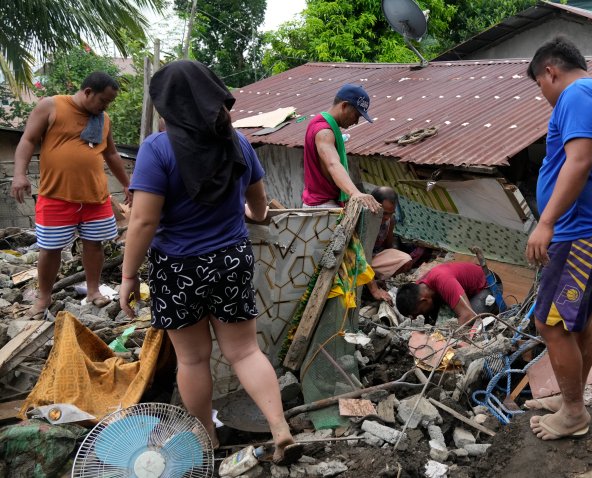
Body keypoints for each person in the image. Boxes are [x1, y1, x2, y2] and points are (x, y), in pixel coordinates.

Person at [118, 60, 300, 464]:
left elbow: (145, 220)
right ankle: (279, 427)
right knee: (246, 352)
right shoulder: (238, 143)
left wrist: (129, 275)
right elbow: (259, 206)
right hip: (231, 261)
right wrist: (250, 216)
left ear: (168, 105)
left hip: (178, 268)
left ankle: (208, 442)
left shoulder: (157, 149)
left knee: (193, 358)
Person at [523, 37, 592, 440]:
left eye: (540, 85)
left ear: (550, 71)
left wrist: (546, 222)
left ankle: (573, 413)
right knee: (579, 322)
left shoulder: (577, 92)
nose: (544, 95)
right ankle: (573, 399)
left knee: (550, 324)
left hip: (581, 232)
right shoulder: (591, 92)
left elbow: (579, 160)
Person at [10, 72, 130, 318]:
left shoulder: (102, 118)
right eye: (103, 101)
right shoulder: (51, 106)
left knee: (94, 245)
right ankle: (44, 298)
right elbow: (28, 139)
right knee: (49, 248)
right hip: (56, 196)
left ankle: (94, 291)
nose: (105, 107)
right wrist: (19, 174)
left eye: (109, 103)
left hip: (95, 197)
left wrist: (128, 184)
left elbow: (112, 155)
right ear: (87, 92)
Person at [301, 83, 381, 213]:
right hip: (323, 207)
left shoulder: (325, 125)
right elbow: (332, 164)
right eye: (356, 115)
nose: (356, 122)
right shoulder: (324, 131)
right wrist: (355, 193)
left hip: (323, 204)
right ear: (344, 106)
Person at [395, 262, 496, 325]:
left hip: (489, 286)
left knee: (468, 321)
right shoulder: (418, 288)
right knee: (438, 320)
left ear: (424, 300)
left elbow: (468, 315)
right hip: (463, 289)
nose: (417, 316)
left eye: (418, 313)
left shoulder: (443, 281)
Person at [365, 186, 413, 304]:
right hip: (358, 260)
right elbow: (359, 255)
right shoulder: (364, 220)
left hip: (374, 258)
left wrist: (389, 268)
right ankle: (368, 285)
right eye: (384, 213)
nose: (386, 217)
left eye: (390, 213)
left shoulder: (389, 221)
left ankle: (376, 280)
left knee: (406, 260)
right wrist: (374, 290)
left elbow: (388, 247)